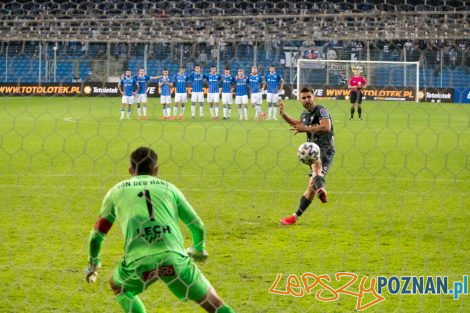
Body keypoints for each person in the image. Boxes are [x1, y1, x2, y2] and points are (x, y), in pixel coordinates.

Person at [85, 147, 236, 313]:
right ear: (156, 170)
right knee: (214, 303)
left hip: (140, 262)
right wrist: (198, 249)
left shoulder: (116, 192)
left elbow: (96, 236)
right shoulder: (169, 189)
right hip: (174, 259)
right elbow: (197, 225)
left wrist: (94, 263)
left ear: (130, 170)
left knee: (118, 285)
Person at [278, 87, 335, 225]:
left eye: (309, 97)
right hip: (312, 149)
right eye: (303, 98)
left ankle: (321, 188)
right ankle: (295, 217)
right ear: (300, 100)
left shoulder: (321, 110)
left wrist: (307, 129)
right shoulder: (305, 114)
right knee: (311, 187)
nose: (307, 100)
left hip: (325, 148)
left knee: (317, 169)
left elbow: (326, 127)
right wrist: (283, 114)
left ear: (313, 96)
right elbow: (299, 124)